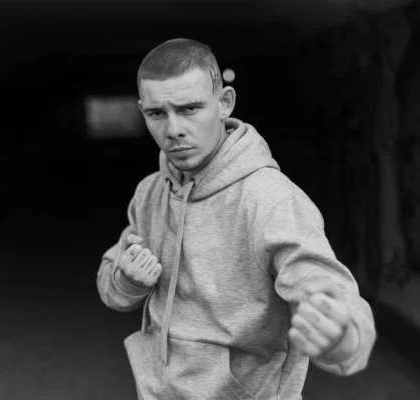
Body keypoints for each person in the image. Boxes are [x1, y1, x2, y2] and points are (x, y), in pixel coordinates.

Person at [97, 38, 376, 400]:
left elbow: (330, 292)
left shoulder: (269, 199)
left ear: (224, 104)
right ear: (142, 110)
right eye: (157, 113)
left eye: (190, 108)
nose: (174, 129)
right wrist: (127, 279)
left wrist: (341, 335)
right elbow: (110, 285)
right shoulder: (150, 192)